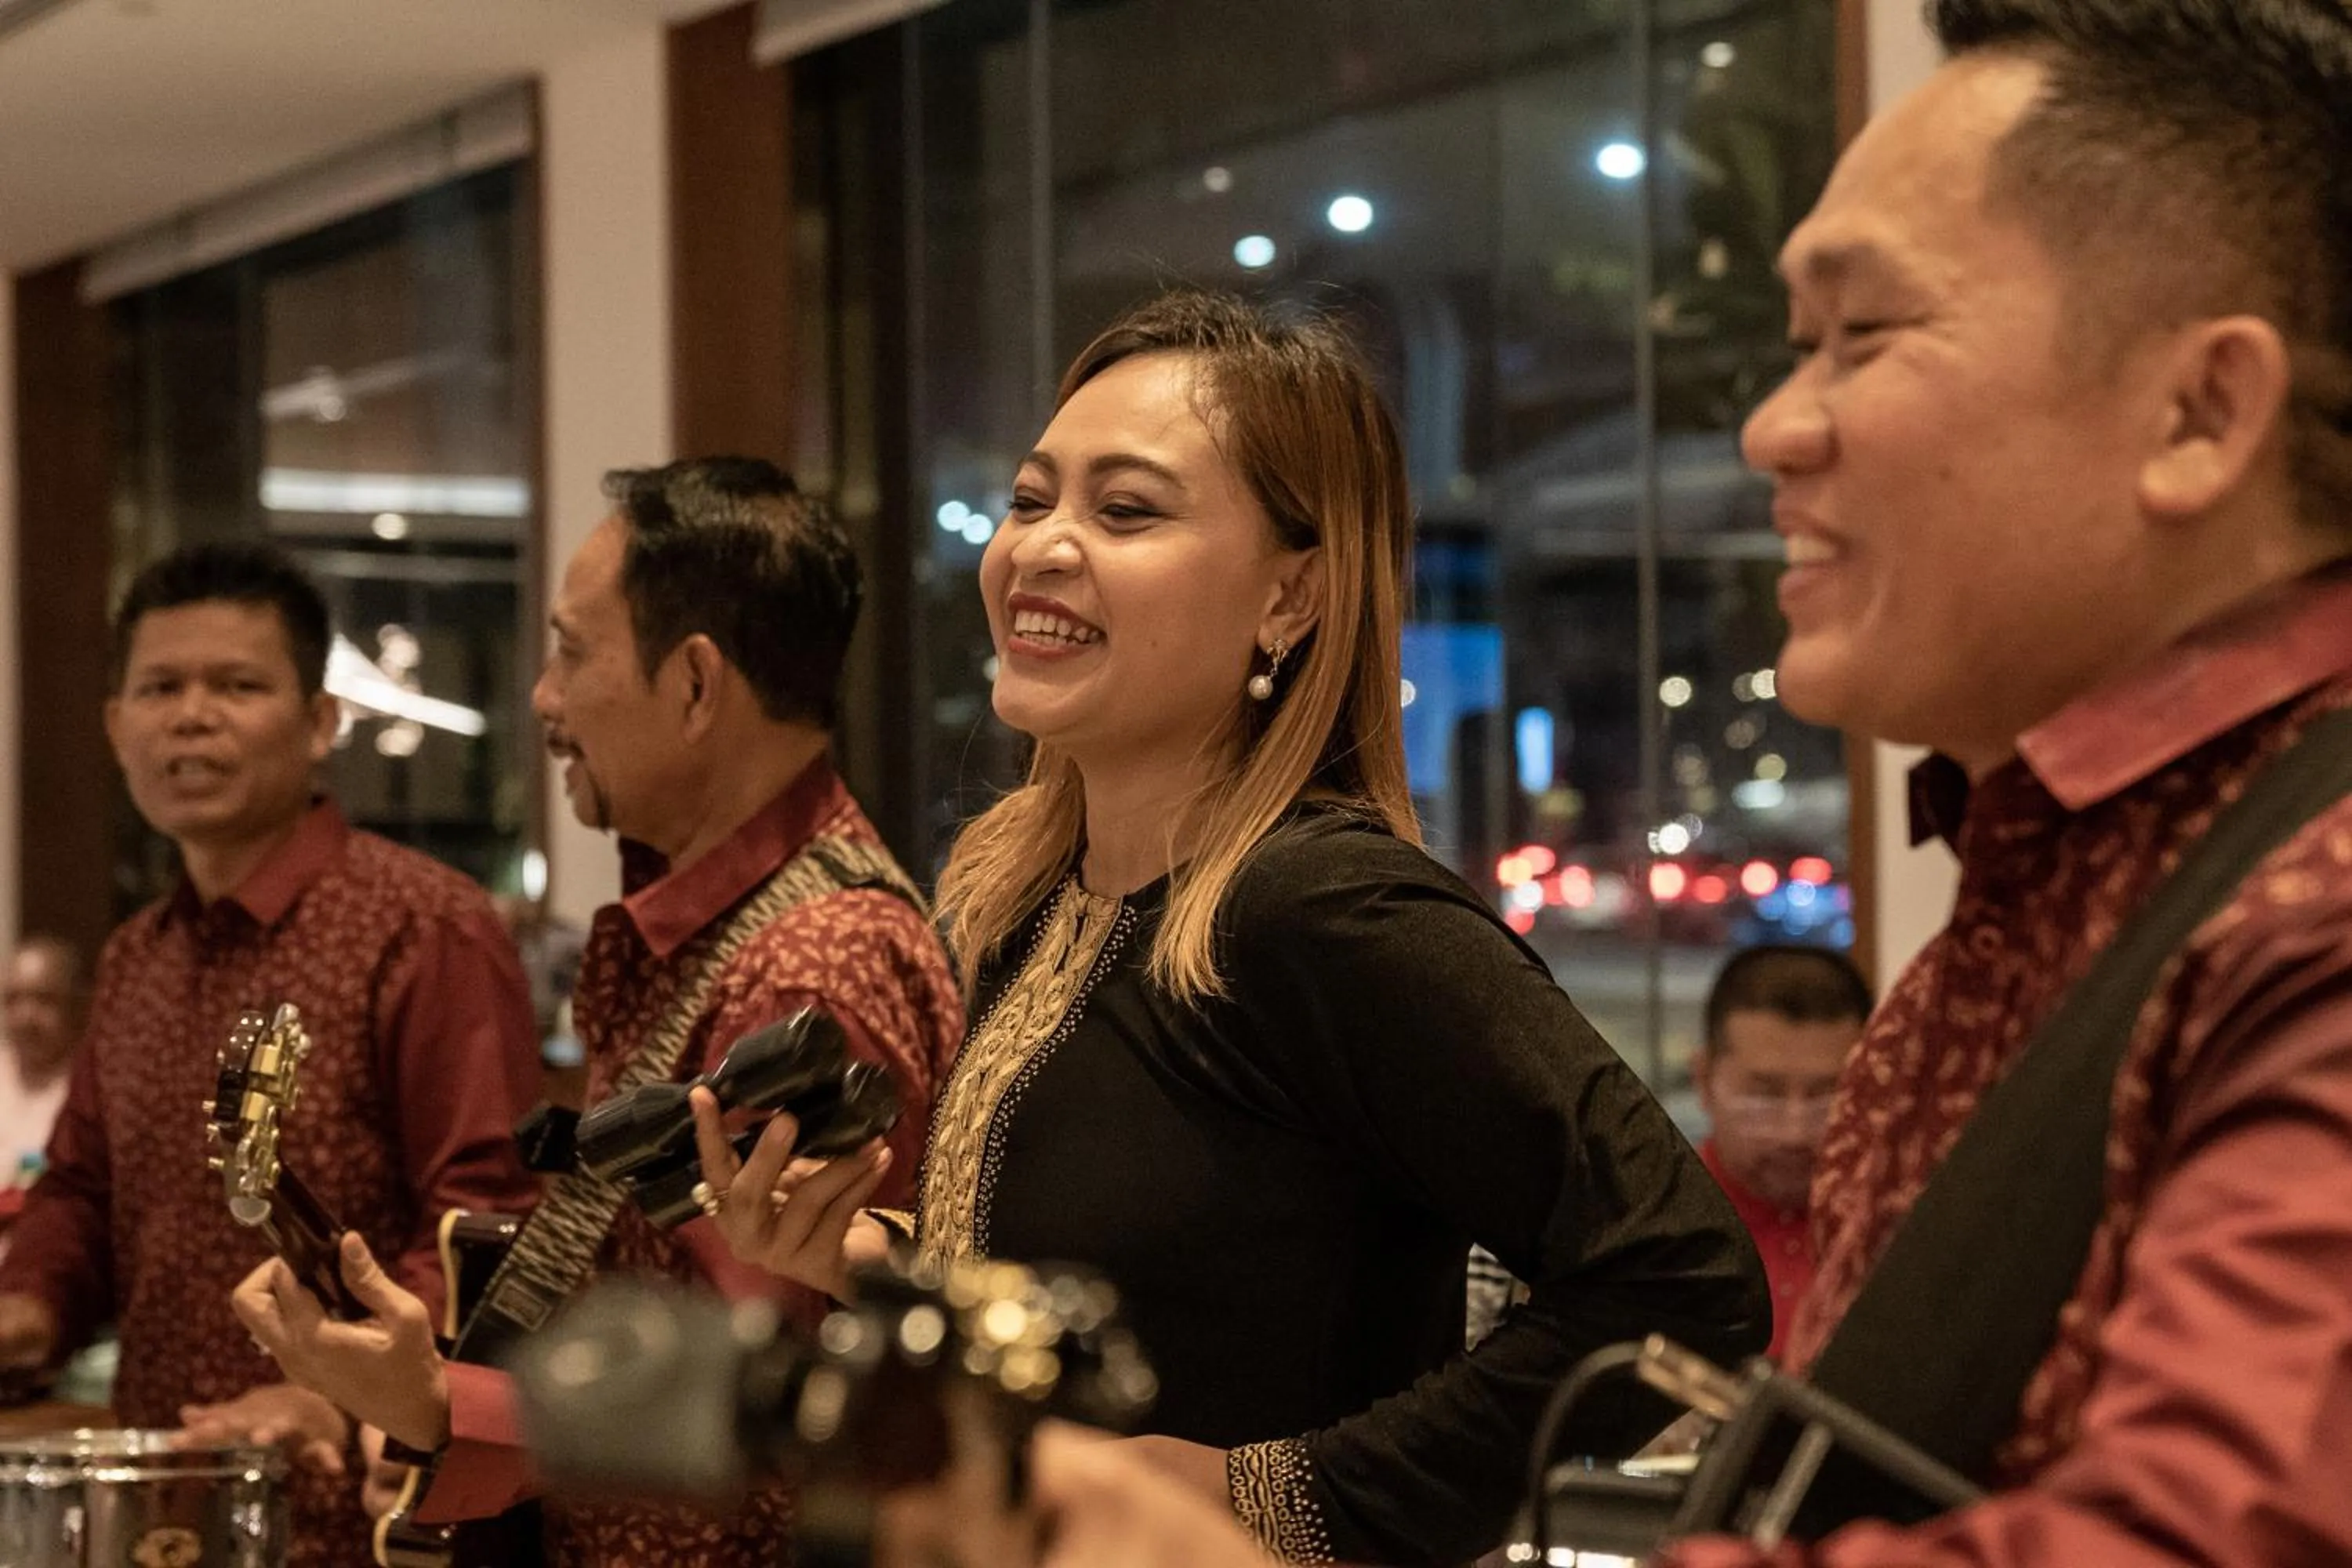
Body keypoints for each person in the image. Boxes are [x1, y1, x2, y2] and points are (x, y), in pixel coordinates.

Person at [691, 292, 1770, 1566]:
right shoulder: (1022, 893)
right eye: (1033, 499)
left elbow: (1683, 1286)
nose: (1040, 547)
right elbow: (1137, 1323)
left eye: (1127, 510)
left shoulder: (1322, 911)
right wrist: (858, 1254)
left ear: (1292, 598)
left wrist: (1271, 1495)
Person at [1650, 1, 2352, 1563]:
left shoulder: (2319, 913)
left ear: (2201, 413)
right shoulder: (2033, 908)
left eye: (1862, 336)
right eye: (1793, 348)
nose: (1775, 425)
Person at [237, 458, 967, 1568]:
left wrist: (443, 1405)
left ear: (694, 684)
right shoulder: (732, 933)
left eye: (573, 652)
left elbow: (760, 1408)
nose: (543, 699)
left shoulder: (805, 965)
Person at [0, 541, 544, 1566]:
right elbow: (79, 1192)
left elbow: (488, 1223)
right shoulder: (134, 957)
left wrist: (331, 1394)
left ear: (321, 722)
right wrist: (26, 1310)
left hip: (363, 1515)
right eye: (160, 688)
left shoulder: (423, 927)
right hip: (162, 1503)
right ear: (117, 728)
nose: (191, 715)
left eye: (238, 685)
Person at [1692, 946, 1868, 1360]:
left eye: (1827, 1098)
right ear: (1704, 1082)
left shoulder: (1898, 1233)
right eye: (1764, 1096)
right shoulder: (1644, 1233)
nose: (1794, 1134)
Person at [0, 936, 84, 1186]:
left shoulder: (92, 1090)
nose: (26, 1017)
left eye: (43, 999)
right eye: (12, 1000)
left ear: (77, 1006)